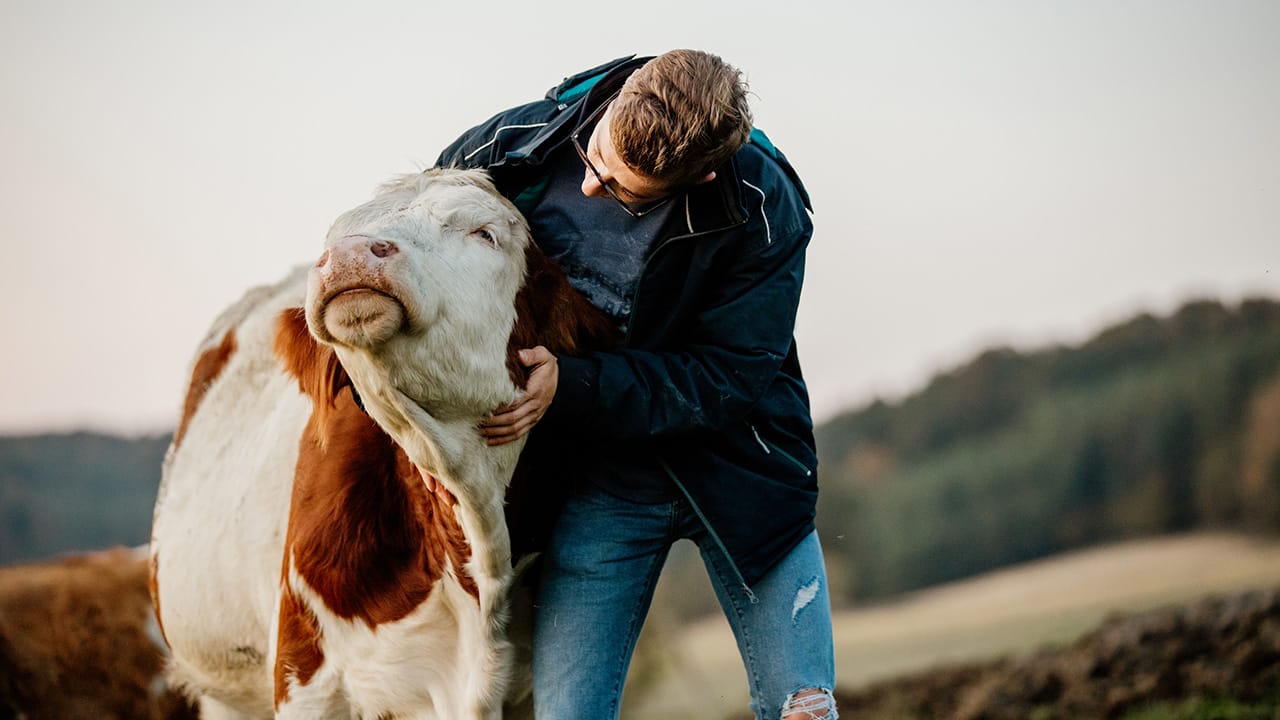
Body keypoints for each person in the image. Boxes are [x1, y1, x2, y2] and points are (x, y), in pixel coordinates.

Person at [435, 50, 837, 720]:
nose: (592, 186)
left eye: (623, 190)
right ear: (617, 101)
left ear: (701, 177)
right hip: (603, 484)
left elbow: (726, 377)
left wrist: (572, 386)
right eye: (595, 156)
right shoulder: (517, 143)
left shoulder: (768, 207)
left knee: (804, 709)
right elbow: (417, 233)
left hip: (744, 474)